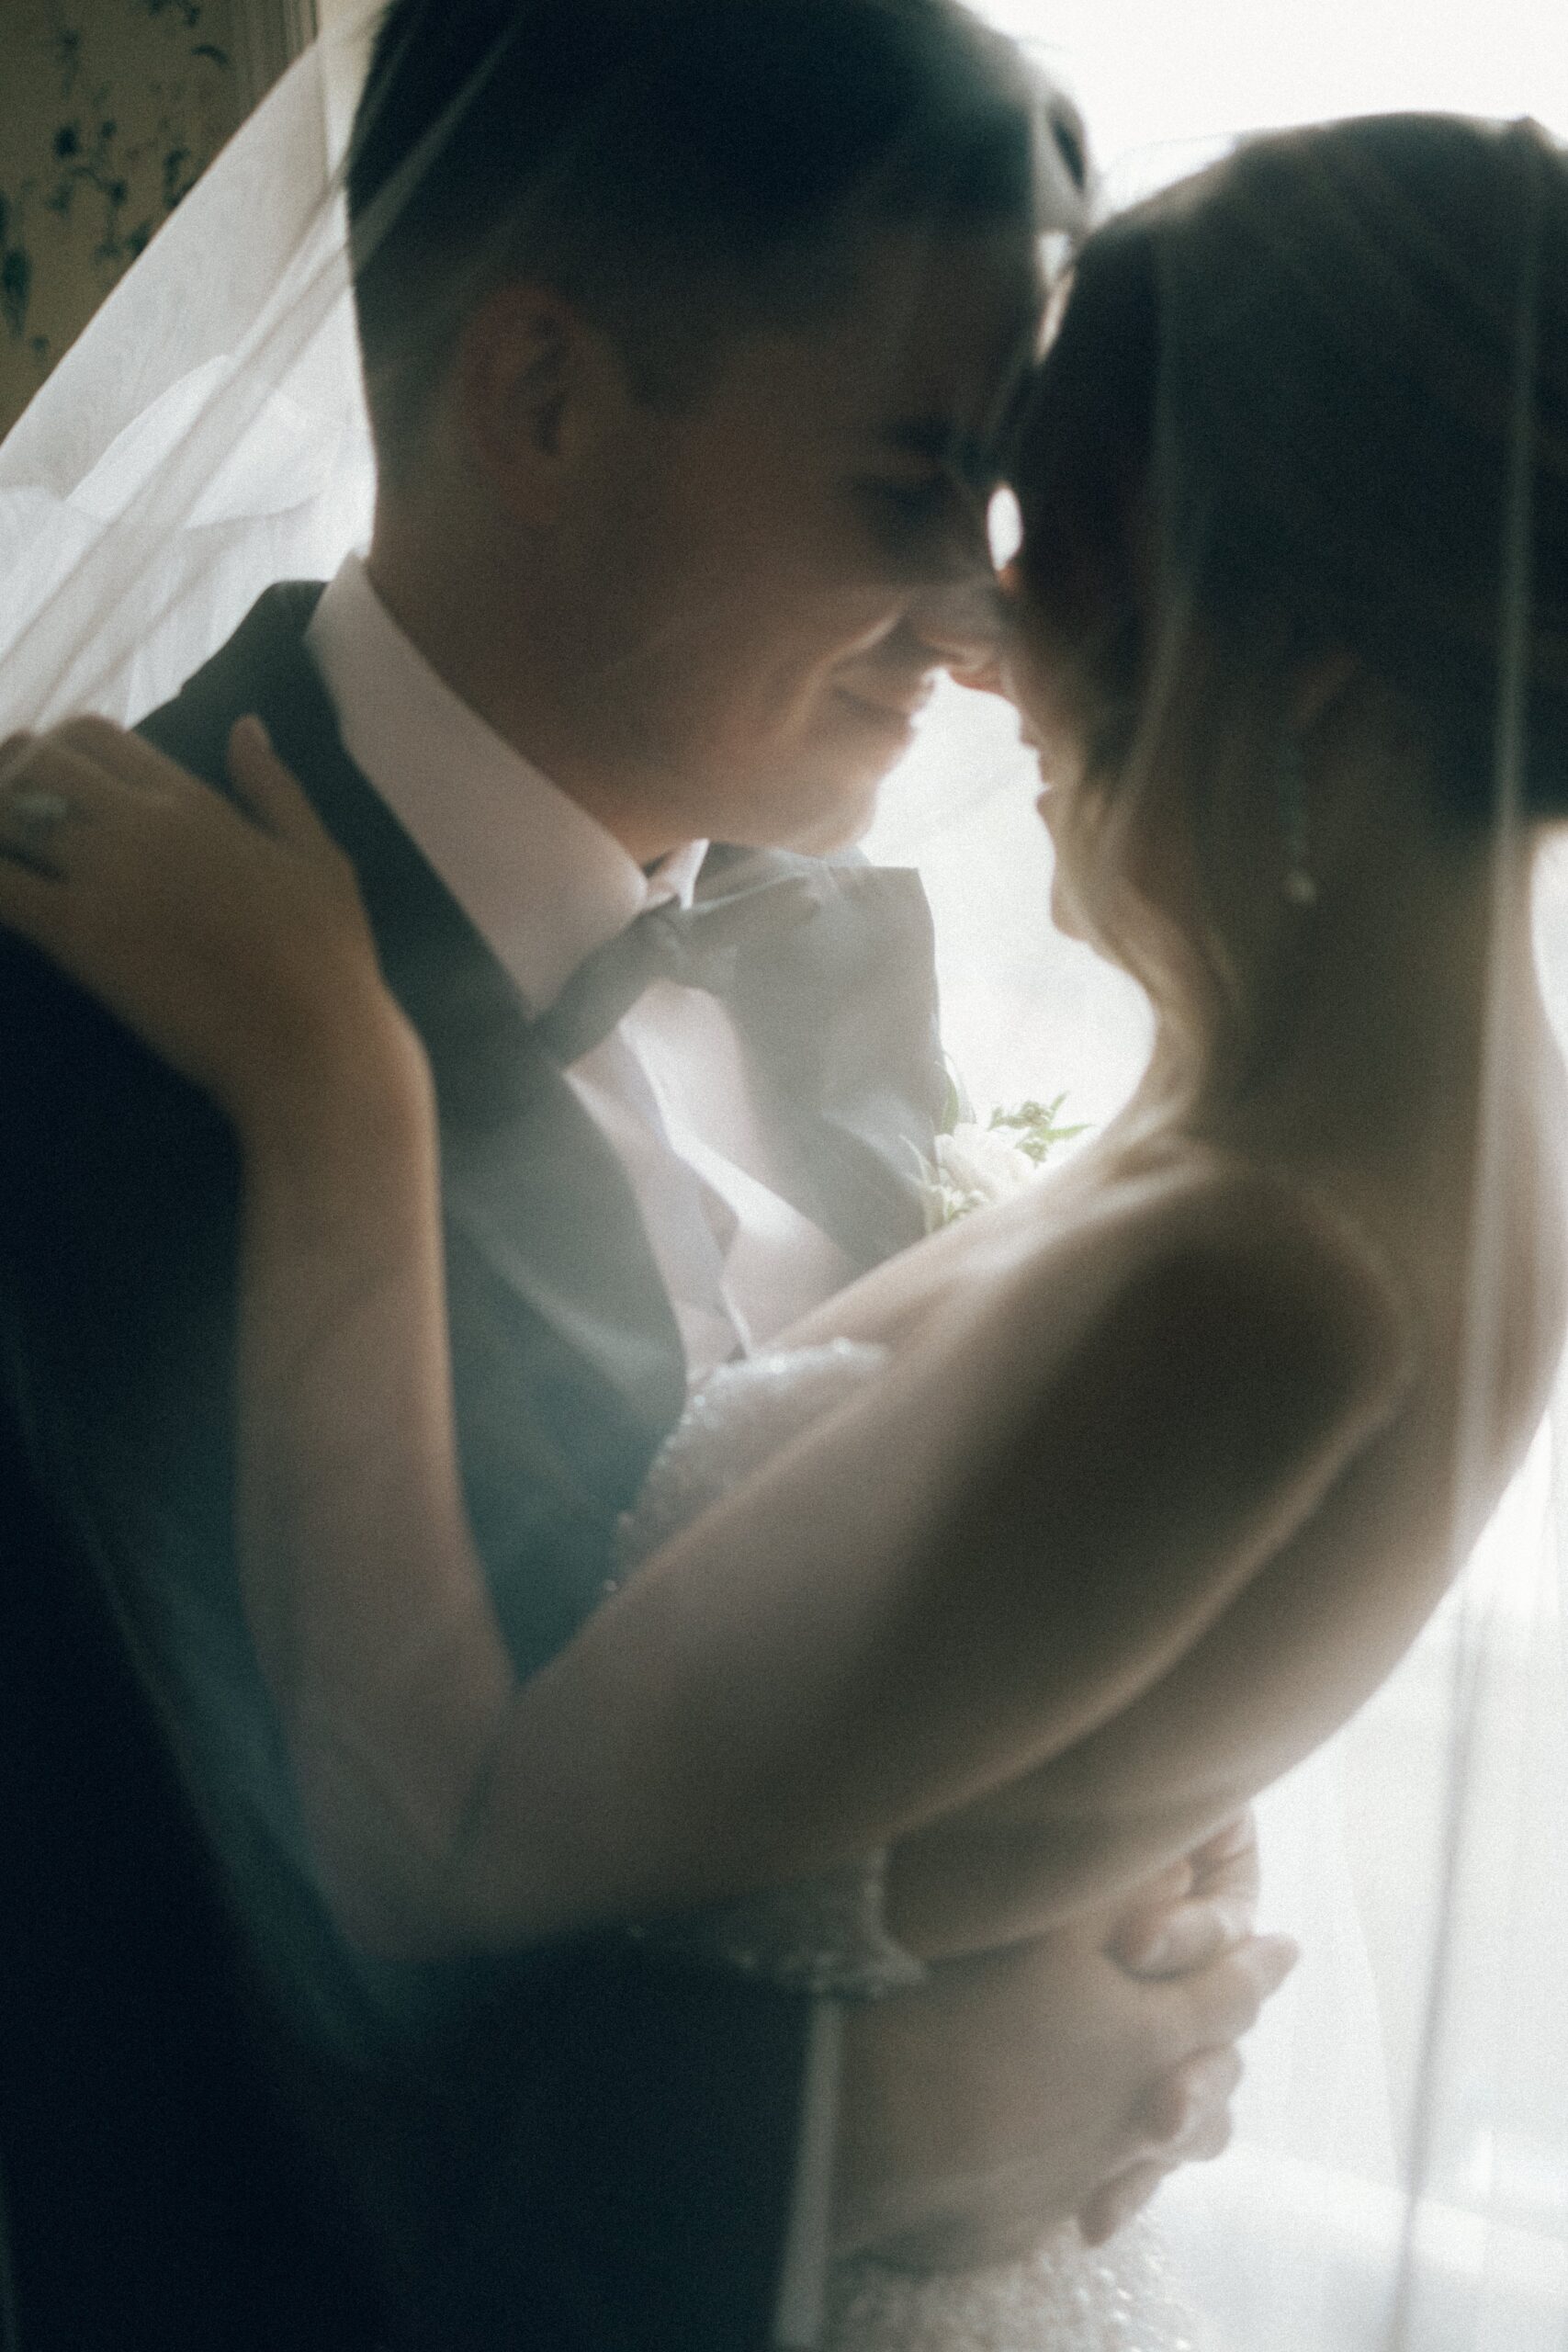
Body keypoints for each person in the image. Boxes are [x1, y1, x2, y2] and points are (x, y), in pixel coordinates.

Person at [5, 101, 1565, 2352]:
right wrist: (910, 2063)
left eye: (1055, 553)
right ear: (536, 399)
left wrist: (334, 1088)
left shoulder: (1261, 1253)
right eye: (913, 483)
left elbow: (434, 1836)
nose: (985, 646)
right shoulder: (1340, 1100)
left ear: (1310, 665)